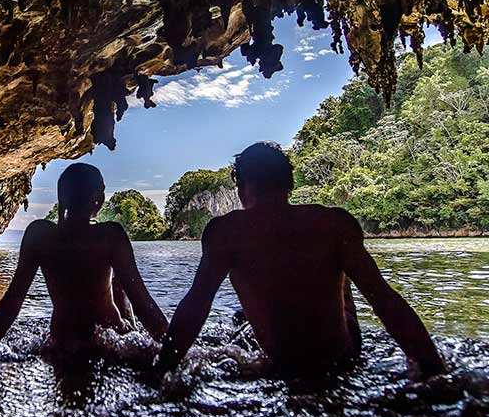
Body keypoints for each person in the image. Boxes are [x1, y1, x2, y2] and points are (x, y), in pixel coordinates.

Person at [155, 142, 446, 379]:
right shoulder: (334, 223)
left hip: (281, 363)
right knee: (341, 276)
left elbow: (196, 304)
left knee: (241, 321)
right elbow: (384, 300)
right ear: (289, 184)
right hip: (341, 358)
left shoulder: (225, 233)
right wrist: (434, 370)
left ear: (244, 188)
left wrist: (161, 368)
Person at [0, 163, 168, 364]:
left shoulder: (38, 234)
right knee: (119, 282)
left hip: (62, 338)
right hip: (109, 337)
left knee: (113, 279)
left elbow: (14, 298)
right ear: (97, 200)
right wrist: (174, 348)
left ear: (61, 197)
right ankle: (129, 327)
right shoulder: (110, 235)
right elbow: (142, 302)